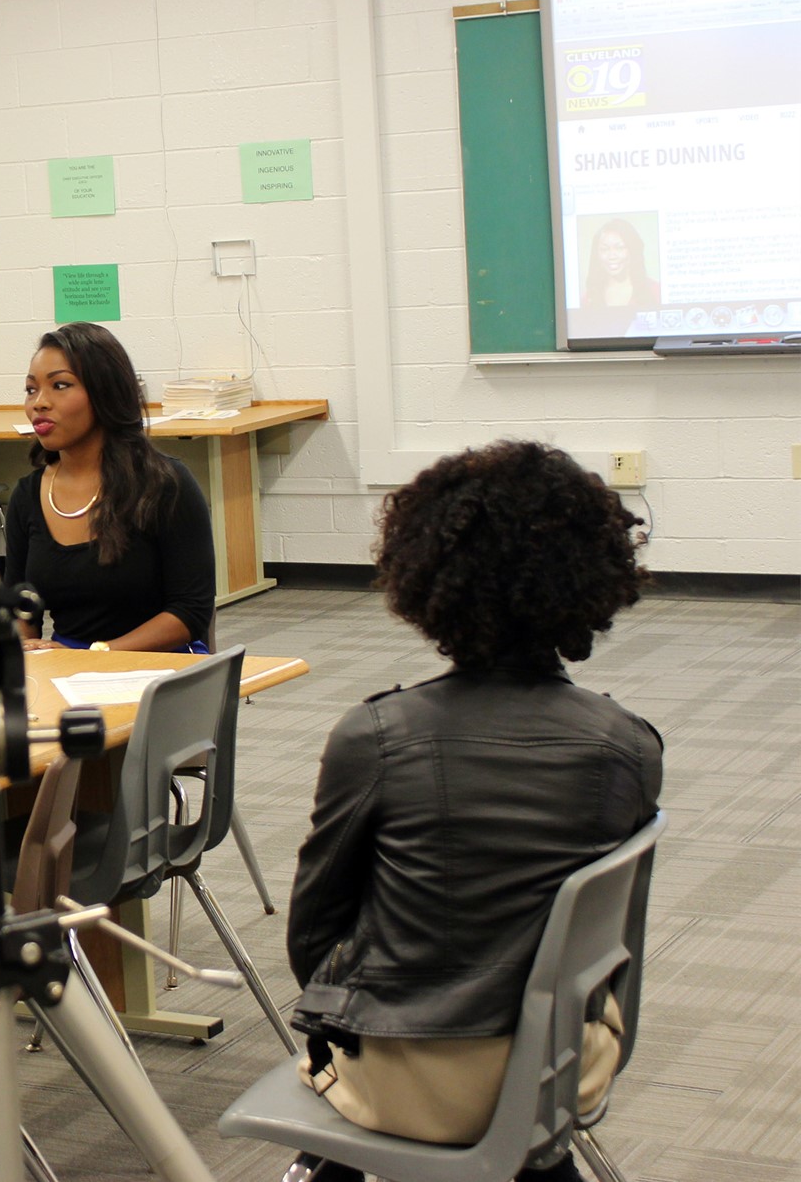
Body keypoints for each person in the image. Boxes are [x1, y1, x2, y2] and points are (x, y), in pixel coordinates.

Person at [284, 441, 663, 1182]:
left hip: (406, 1081)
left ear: (425, 578)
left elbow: (314, 935)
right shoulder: (628, 745)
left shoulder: (376, 737)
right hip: (563, 1067)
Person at [4, 322, 216, 652]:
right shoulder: (27, 496)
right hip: (65, 669)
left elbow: (190, 612)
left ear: (106, 393)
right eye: (31, 390)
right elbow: (20, 610)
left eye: (60, 385)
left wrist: (94, 656)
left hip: (157, 666)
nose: (39, 403)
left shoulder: (165, 484)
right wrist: (24, 656)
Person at [581, 218, 660, 308]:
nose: (612, 256)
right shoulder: (589, 298)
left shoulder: (655, 291)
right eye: (605, 249)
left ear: (632, 250)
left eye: (620, 248)